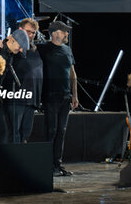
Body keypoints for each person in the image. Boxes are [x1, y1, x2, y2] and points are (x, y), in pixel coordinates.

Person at [0, 18, 43, 143]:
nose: (30, 35)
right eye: (28, 31)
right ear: (20, 30)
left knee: (26, 133)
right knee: (13, 134)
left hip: (31, 99)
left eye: (33, 33)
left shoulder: (36, 50)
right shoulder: (11, 48)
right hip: (15, 99)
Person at [37, 21, 79, 176]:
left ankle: (57, 164)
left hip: (65, 97)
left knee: (61, 131)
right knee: (51, 130)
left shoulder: (67, 50)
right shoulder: (43, 49)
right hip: (50, 96)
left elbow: (72, 73)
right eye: (64, 31)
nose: (67, 34)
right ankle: (47, 166)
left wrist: (75, 95)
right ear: (54, 33)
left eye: (67, 32)